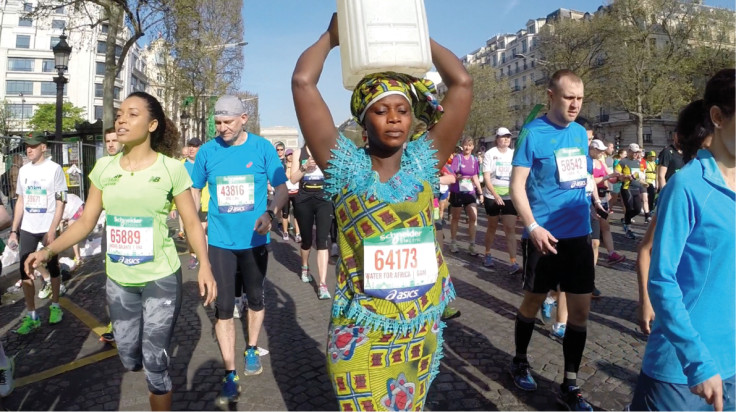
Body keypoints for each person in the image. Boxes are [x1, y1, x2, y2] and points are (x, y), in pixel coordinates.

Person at [292, 13, 472, 410]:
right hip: (360, 328)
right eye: (381, 110)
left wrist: (414, 38)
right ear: (363, 119)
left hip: (419, 327)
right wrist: (331, 37)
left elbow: (462, 83)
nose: (394, 118)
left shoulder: (425, 162)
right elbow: (303, 82)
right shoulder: (342, 167)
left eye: (402, 110)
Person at [25, 92, 216, 411]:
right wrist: (49, 251)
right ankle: (141, 356)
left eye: (132, 114)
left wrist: (205, 265)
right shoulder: (103, 169)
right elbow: (86, 222)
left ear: (152, 124)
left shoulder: (171, 169)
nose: (122, 119)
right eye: (120, 114)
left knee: (155, 363)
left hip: (161, 276)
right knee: (130, 357)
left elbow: (192, 223)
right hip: (119, 280)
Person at [630, 69, 735, 411]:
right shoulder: (687, 186)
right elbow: (662, 278)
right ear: (717, 117)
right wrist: (696, 361)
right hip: (681, 370)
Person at [190, 95, 288, 404]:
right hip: (220, 242)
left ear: (243, 119)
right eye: (217, 123)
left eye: (227, 122)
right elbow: (194, 188)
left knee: (256, 300)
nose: (222, 128)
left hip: (255, 241)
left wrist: (270, 214)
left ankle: (251, 348)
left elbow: (282, 188)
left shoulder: (261, 148)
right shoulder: (207, 151)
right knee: (223, 308)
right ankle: (229, 372)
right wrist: (196, 223)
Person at [508, 69, 595, 411]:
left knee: (580, 314)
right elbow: (517, 186)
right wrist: (532, 227)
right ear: (551, 96)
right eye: (568, 97)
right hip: (544, 236)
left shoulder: (579, 134)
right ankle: (519, 360)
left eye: (579, 98)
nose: (575, 105)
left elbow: (578, 176)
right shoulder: (532, 133)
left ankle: (570, 384)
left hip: (578, 235)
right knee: (532, 303)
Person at [8, 132, 67, 334]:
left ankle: (55, 306)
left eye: (33, 146)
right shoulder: (23, 171)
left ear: (44, 147)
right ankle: (32, 315)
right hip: (28, 228)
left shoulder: (55, 169)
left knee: (52, 266)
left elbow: (61, 201)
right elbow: (21, 201)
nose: (29, 149)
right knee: (24, 270)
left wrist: (53, 229)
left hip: (47, 226)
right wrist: (14, 231)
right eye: (27, 146)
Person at [290, 145, 333, 299]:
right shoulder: (298, 153)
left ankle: (322, 284)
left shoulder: (327, 150)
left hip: (323, 200)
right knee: (307, 240)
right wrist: (304, 166)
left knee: (322, 241)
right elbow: (293, 179)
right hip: (304, 200)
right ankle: (305, 266)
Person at [481, 127, 519, 273]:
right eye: (503, 137)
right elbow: (486, 178)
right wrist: (496, 195)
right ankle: (488, 253)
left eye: (508, 137)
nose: (506, 139)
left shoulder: (513, 153)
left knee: (510, 228)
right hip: (492, 196)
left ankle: (513, 262)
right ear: (497, 138)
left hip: (509, 196)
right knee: (492, 227)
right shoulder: (490, 154)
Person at [448, 136, 483, 255]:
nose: (467, 147)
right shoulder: (458, 158)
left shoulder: (474, 160)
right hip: (457, 191)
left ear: (473, 147)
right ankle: (453, 242)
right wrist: (458, 177)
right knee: (456, 218)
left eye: (469, 145)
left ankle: (472, 245)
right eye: (465, 145)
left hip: (469, 192)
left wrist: (480, 192)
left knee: (473, 217)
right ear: (462, 146)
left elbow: (475, 177)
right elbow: (452, 173)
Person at [616, 143, 645, 239]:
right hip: (626, 188)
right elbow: (616, 174)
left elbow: (639, 175)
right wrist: (625, 176)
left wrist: (644, 183)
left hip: (636, 188)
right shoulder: (623, 162)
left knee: (637, 209)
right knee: (629, 208)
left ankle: (625, 219)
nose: (636, 154)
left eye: (637, 152)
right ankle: (628, 229)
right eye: (634, 152)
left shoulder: (638, 162)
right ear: (629, 151)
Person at [281, 149, 301, 242]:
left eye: (292, 154)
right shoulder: (283, 166)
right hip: (286, 192)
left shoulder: (298, 165)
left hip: (296, 192)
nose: (290, 156)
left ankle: (297, 233)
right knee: (285, 213)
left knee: (297, 214)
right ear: (286, 156)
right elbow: (284, 177)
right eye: (288, 154)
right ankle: (285, 232)